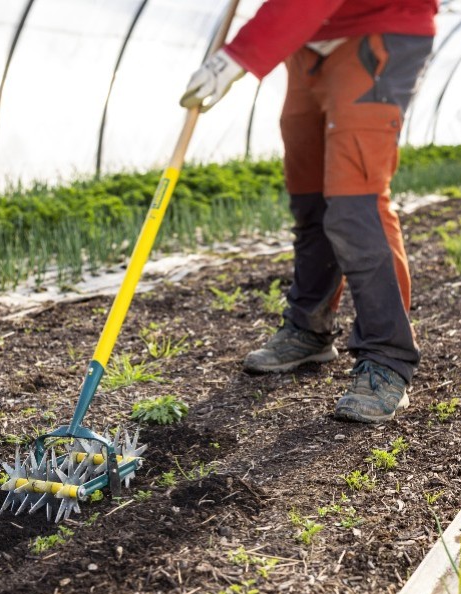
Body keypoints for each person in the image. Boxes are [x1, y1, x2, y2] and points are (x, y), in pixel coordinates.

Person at [180, 0, 438, 424]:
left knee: (356, 203)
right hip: (309, 38)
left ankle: (388, 358)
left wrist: (239, 55)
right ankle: (309, 328)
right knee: (309, 195)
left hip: (379, 26)